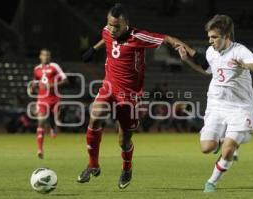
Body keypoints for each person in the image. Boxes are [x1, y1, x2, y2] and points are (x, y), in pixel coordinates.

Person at [77, 3, 187, 189]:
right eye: (109, 24)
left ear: (126, 24)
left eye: (116, 26)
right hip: (109, 87)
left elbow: (167, 38)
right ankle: (92, 164)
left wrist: (185, 50)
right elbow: (106, 37)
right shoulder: (107, 30)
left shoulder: (139, 37)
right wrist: (94, 49)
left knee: (124, 140)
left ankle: (127, 168)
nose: (112, 29)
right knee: (95, 117)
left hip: (129, 95)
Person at [177, 14, 253, 192]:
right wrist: (187, 61)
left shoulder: (239, 51)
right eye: (209, 37)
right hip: (216, 104)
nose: (210, 41)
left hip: (240, 108)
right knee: (206, 147)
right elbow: (208, 71)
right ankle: (224, 140)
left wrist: (246, 65)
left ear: (226, 36)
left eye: (214, 37)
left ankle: (212, 182)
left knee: (228, 150)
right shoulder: (211, 52)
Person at [28, 49, 68, 159]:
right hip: (42, 99)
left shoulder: (54, 66)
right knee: (40, 122)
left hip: (54, 98)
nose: (46, 57)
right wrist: (32, 88)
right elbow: (35, 83)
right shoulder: (36, 69)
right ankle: (40, 149)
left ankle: (53, 127)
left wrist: (51, 86)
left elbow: (65, 80)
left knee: (54, 118)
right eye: (44, 55)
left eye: (48, 55)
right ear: (40, 56)